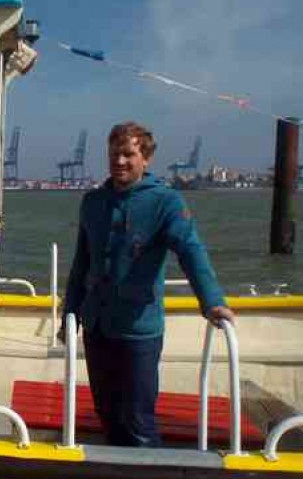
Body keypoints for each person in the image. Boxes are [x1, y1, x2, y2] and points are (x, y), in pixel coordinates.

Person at [59, 122, 235, 447]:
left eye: (128, 154)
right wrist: (69, 312)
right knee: (107, 413)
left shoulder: (165, 202)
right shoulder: (93, 202)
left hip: (138, 330)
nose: (120, 161)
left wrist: (211, 301)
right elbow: (81, 265)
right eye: (114, 154)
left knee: (138, 420)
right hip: (97, 327)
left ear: (146, 158)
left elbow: (190, 249)